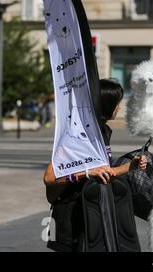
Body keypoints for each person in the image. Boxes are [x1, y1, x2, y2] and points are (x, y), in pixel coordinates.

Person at [43, 78, 147, 251]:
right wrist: (87, 173)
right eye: (117, 103)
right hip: (69, 217)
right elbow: (49, 177)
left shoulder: (102, 131)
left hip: (90, 214)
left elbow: (101, 171)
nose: (119, 107)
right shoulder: (76, 133)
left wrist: (130, 166)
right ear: (107, 105)